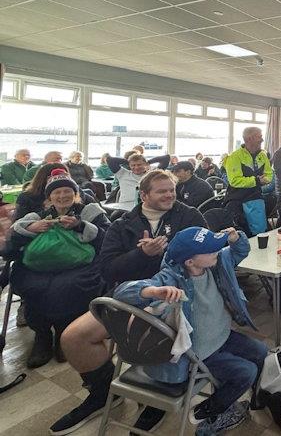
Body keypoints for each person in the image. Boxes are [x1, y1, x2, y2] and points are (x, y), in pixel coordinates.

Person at [51, 170, 207, 435]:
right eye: (162, 191)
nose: (170, 195)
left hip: (174, 295)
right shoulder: (122, 224)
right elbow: (107, 270)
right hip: (127, 295)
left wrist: (169, 255)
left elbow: (207, 257)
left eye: (171, 189)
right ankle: (102, 392)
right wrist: (141, 254)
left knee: (145, 336)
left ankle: (156, 395)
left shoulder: (190, 216)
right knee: (72, 339)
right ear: (144, 195)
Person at [114, 226, 266, 434]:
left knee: (261, 353)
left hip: (223, 336)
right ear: (189, 262)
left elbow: (239, 251)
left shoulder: (216, 263)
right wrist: (154, 291)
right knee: (246, 372)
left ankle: (253, 397)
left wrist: (236, 237)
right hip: (198, 353)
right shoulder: (171, 278)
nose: (217, 250)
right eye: (210, 249)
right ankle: (210, 411)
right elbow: (122, 293)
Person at [9, 169, 109, 368]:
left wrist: (81, 226)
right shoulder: (35, 216)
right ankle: (42, 336)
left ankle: (66, 332)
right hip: (38, 268)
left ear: (75, 194)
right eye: (57, 192)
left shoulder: (90, 211)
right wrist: (30, 229)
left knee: (67, 285)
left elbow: (108, 239)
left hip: (80, 267)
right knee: (32, 285)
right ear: (49, 197)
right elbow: (11, 244)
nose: (62, 196)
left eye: (67, 191)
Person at [224, 127, 273, 229]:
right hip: (237, 199)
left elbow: (269, 174)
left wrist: (266, 180)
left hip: (256, 198)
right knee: (241, 233)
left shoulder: (263, 156)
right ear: (250, 138)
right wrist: (256, 180)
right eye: (259, 137)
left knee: (260, 231)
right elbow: (234, 181)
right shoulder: (234, 157)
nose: (262, 139)